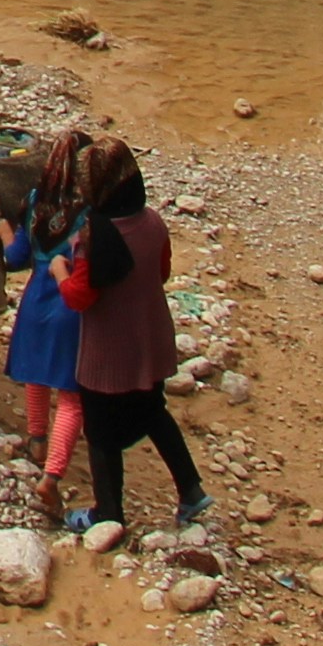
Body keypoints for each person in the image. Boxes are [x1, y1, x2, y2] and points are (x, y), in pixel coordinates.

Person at [53, 143, 208, 536]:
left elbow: (80, 297)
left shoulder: (93, 239)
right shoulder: (152, 222)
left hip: (107, 351)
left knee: (101, 432)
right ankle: (191, 490)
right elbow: (163, 271)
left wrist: (59, 272)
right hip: (151, 338)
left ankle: (108, 512)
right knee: (154, 412)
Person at [0, 132, 95, 523]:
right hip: (71, 304)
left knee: (36, 377)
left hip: (36, 299)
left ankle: (37, 441)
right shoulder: (89, 212)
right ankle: (52, 475)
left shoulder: (35, 201)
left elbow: (16, 257)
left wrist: (4, 232)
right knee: (71, 396)